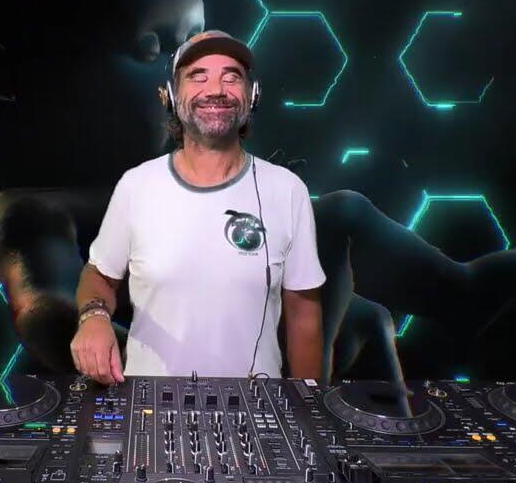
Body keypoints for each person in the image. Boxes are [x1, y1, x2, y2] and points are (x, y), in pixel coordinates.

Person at [69, 31, 325, 384]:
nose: (216, 89)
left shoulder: (288, 190)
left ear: (252, 95)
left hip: (256, 405)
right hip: (152, 402)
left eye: (231, 77)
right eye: (198, 76)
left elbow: (304, 313)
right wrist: (93, 317)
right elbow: (98, 276)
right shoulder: (136, 185)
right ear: (171, 96)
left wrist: (308, 406)